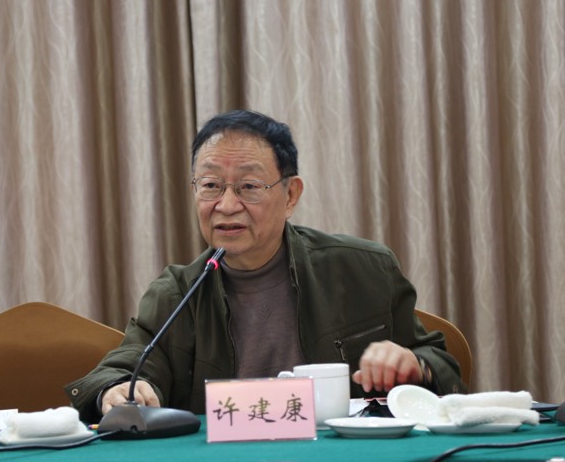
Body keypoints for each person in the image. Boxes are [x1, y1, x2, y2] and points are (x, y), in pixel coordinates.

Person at [66, 109, 466, 423]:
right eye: (210, 185)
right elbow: (123, 367)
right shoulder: (176, 293)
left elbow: (444, 367)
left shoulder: (363, 270)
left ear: (291, 196)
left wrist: (415, 366)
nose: (226, 205)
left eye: (249, 187)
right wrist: (115, 389)